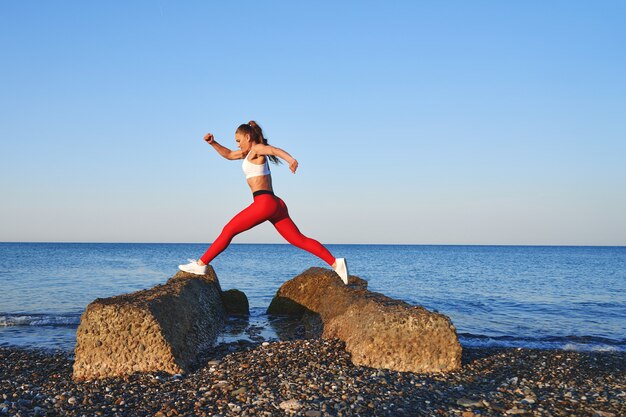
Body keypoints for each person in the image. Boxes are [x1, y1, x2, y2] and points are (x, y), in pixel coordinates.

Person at [178, 121, 349, 284]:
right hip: (276, 204)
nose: (237, 144)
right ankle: (335, 263)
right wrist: (213, 143)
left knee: (229, 230)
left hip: (264, 203)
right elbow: (229, 154)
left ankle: (201, 265)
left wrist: (290, 160)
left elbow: (273, 150)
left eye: (238, 140)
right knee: (299, 240)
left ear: (248, 137)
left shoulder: (257, 149)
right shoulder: (247, 154)